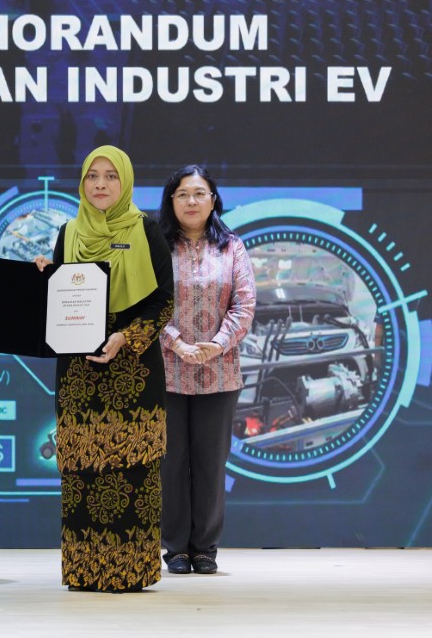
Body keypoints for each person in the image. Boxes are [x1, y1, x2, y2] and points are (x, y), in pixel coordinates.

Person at [33, 145, 174, 593]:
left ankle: (131, 573)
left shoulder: (146, 229)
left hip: (132, 371)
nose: (100, 184)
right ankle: (83, 572)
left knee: (133, 470)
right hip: (77, 372)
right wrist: (43, 276)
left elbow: (164, 300)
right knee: (81, 474)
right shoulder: (69, 231)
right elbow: (59, 299)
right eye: (92, 176)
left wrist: (125, 339)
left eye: (111, 176)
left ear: (125, 182)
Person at [157, 165, 256, 575]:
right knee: (171, 460)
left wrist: (217, 344)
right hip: (166, 370)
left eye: (199, 193)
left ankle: (205, 548)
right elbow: (149, 300)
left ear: (213, 200)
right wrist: (176, 341)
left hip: (221, 372)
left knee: (211, 461)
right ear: (171, 201)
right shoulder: (157, 245)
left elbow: (245, 303)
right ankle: (176, 548)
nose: (191, 201)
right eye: (183, 194)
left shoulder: (232, 247)